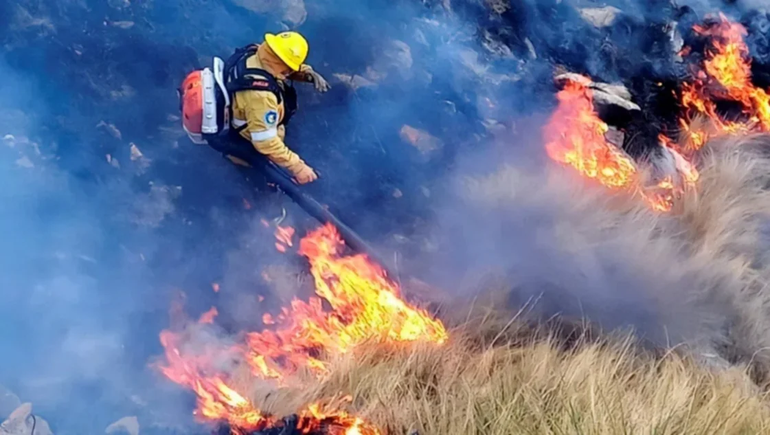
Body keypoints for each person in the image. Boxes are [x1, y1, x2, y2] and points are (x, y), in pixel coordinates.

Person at [180, 31, 330, 184]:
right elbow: (265, 142)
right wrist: (297, 167)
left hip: (242, 110)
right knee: (264, 184)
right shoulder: (262, 98)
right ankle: (244, 170)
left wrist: (305, 73)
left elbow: (277, 64)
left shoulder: (253, 53)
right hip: (251, 139)